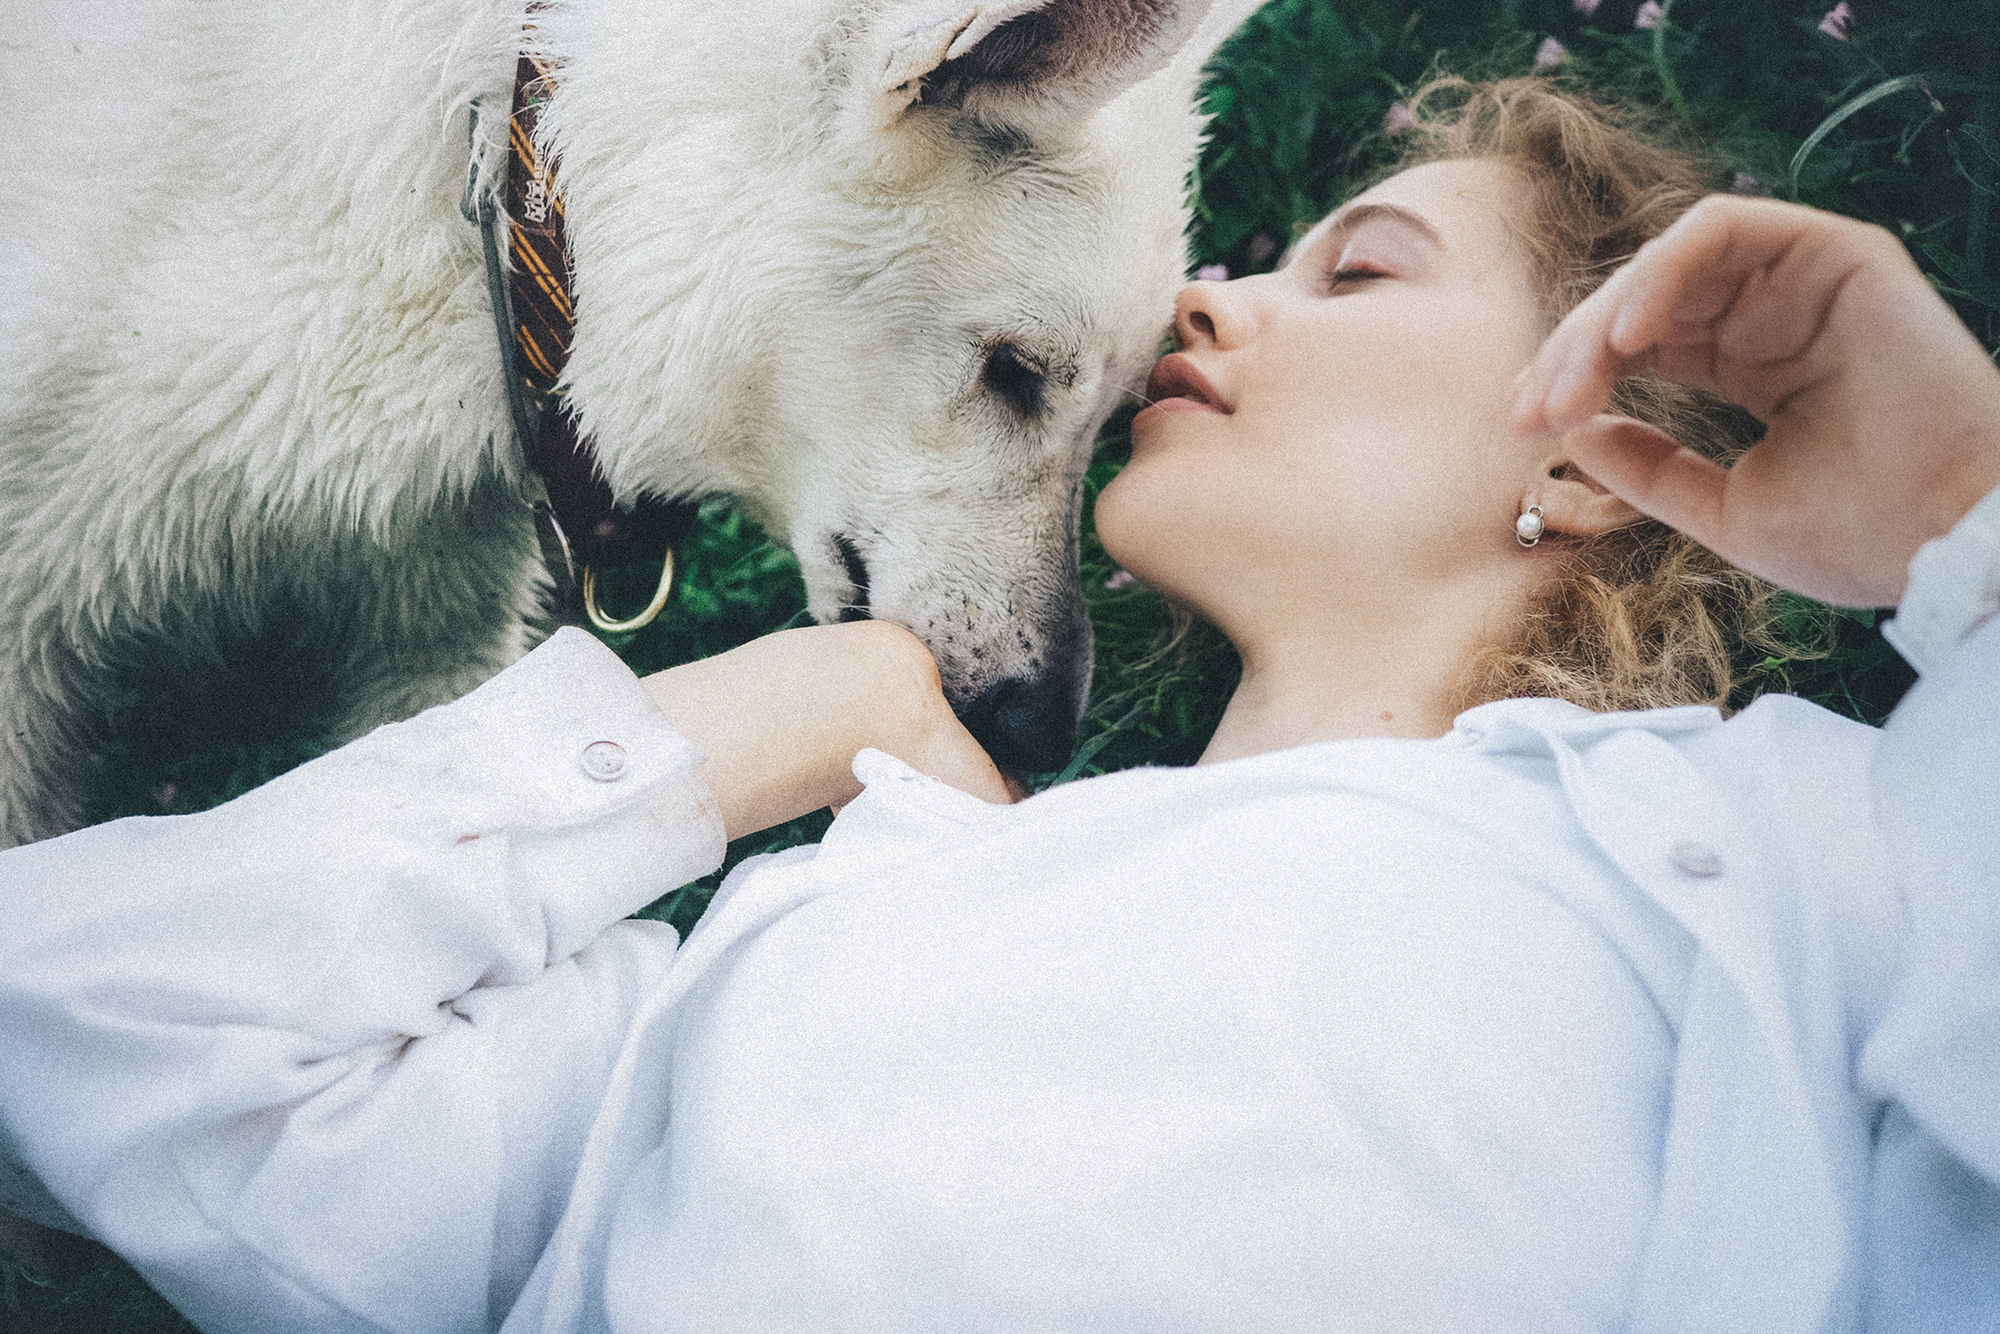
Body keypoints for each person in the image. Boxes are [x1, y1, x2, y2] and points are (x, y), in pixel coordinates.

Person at [2, 76, 1997, 1332]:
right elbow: (85, 1020)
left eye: (1357, 274)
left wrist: (1963, 518)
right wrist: (715, 740)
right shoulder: (837, 902)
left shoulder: (1791, 861)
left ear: (1596, 451)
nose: (1197, 298)